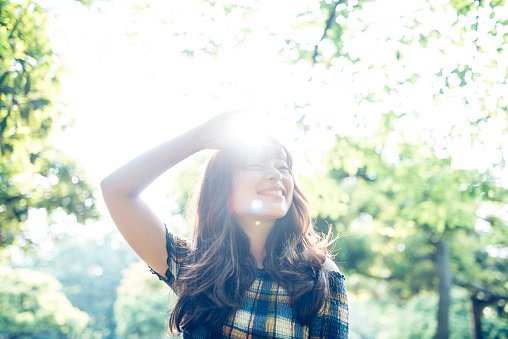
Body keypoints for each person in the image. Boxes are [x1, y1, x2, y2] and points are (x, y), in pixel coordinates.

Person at [101, 111, 349, 338]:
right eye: (256, 165)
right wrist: (198, 138)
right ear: (223, 187)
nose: (276, 174)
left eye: (283, 167)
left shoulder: (319, 274)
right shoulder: (194, 266)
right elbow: (116, 190)